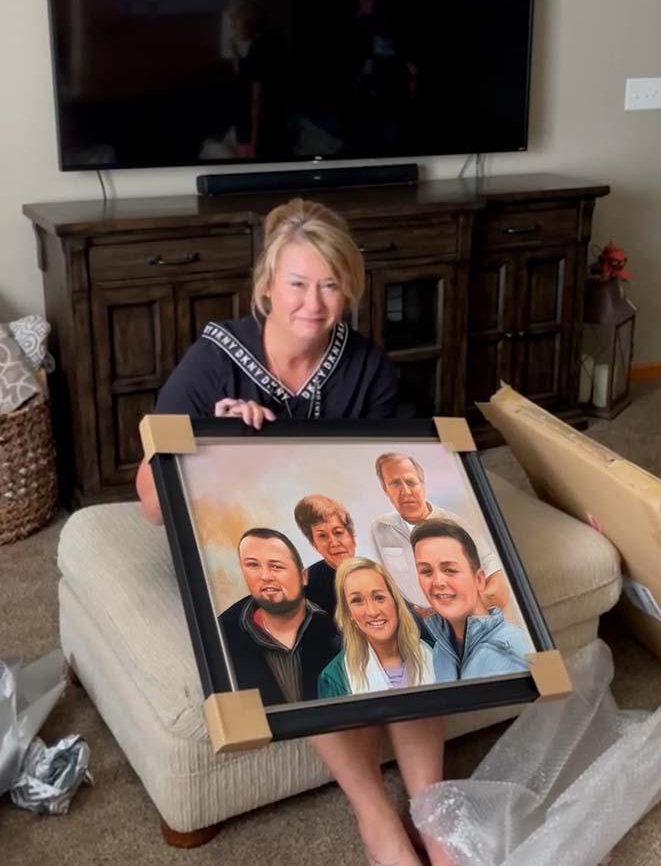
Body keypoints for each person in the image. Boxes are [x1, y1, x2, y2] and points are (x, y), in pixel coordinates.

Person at [135, 198, 454, 866]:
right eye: (298, 283)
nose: (313, 302)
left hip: (338, 541)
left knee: (392, 609)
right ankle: (376, 816)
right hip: (244, 550)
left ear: (350, 292)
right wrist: (212, 441)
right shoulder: (212, 359)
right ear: (267, 290)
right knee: (300, 622)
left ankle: (432, 810)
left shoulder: (366, 366)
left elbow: (374, 490)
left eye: (331, 285)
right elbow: (150, 501)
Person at [370, 453, 510, 616]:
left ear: (422, 484)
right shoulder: (381, 528)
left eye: (410, 482)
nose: (405, 492)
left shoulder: (457, 526)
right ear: (385, 489)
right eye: (395, 484)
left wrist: (438, 616)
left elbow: (498, 591)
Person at [219, 528, 339, 705]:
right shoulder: (222, 636)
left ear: (303, 576)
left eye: (276, 566)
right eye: (253, 565)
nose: (265, 576)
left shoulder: (338, 619)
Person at [410, 519, 532, 682]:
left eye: (449, 570)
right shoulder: (441, 650)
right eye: (426, 571)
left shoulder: (521, 647)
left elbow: (558, 693)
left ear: (479, 580)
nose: (438, 582)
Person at [318, 557, 435, 699]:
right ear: (349, 613)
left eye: (379, 597)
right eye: (357, 601)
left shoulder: (435, 656)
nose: (372, 612)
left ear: (395, 601)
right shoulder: (334, 678)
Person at [294, 494, 358, 616]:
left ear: (351, 535)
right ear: (314, 543)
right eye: (322, 536)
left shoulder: (375, 573)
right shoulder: (306, 585)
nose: (334, 543)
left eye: (338, 533)